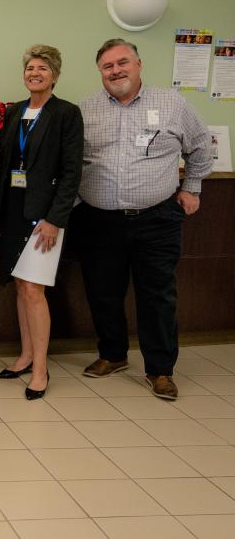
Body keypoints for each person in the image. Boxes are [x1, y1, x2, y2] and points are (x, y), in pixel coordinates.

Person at [74, 38, 211, 400]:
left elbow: (201, 146)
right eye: (107, 66)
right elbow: (72, 162)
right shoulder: (85, 109)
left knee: (158, 295)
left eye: (122, 63)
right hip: (99, 220)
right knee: (103, 292)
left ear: (138, 64)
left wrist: (192, 188)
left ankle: (161, 370)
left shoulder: (172, 104)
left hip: (157, 218)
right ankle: (113, 355)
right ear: (99, 71)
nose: (116, 70)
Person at [0, 45, 83, 399]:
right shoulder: (14, 112)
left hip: (44, 219)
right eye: (30, 68)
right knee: (19, 287)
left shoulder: (66, 114)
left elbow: (72, 172)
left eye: (42, 68)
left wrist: (55, 219)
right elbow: (1, 167)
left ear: (54, 75)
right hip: (13, 211)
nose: (34, 73)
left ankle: (40, 369)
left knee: (33, 290)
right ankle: (25, 355)